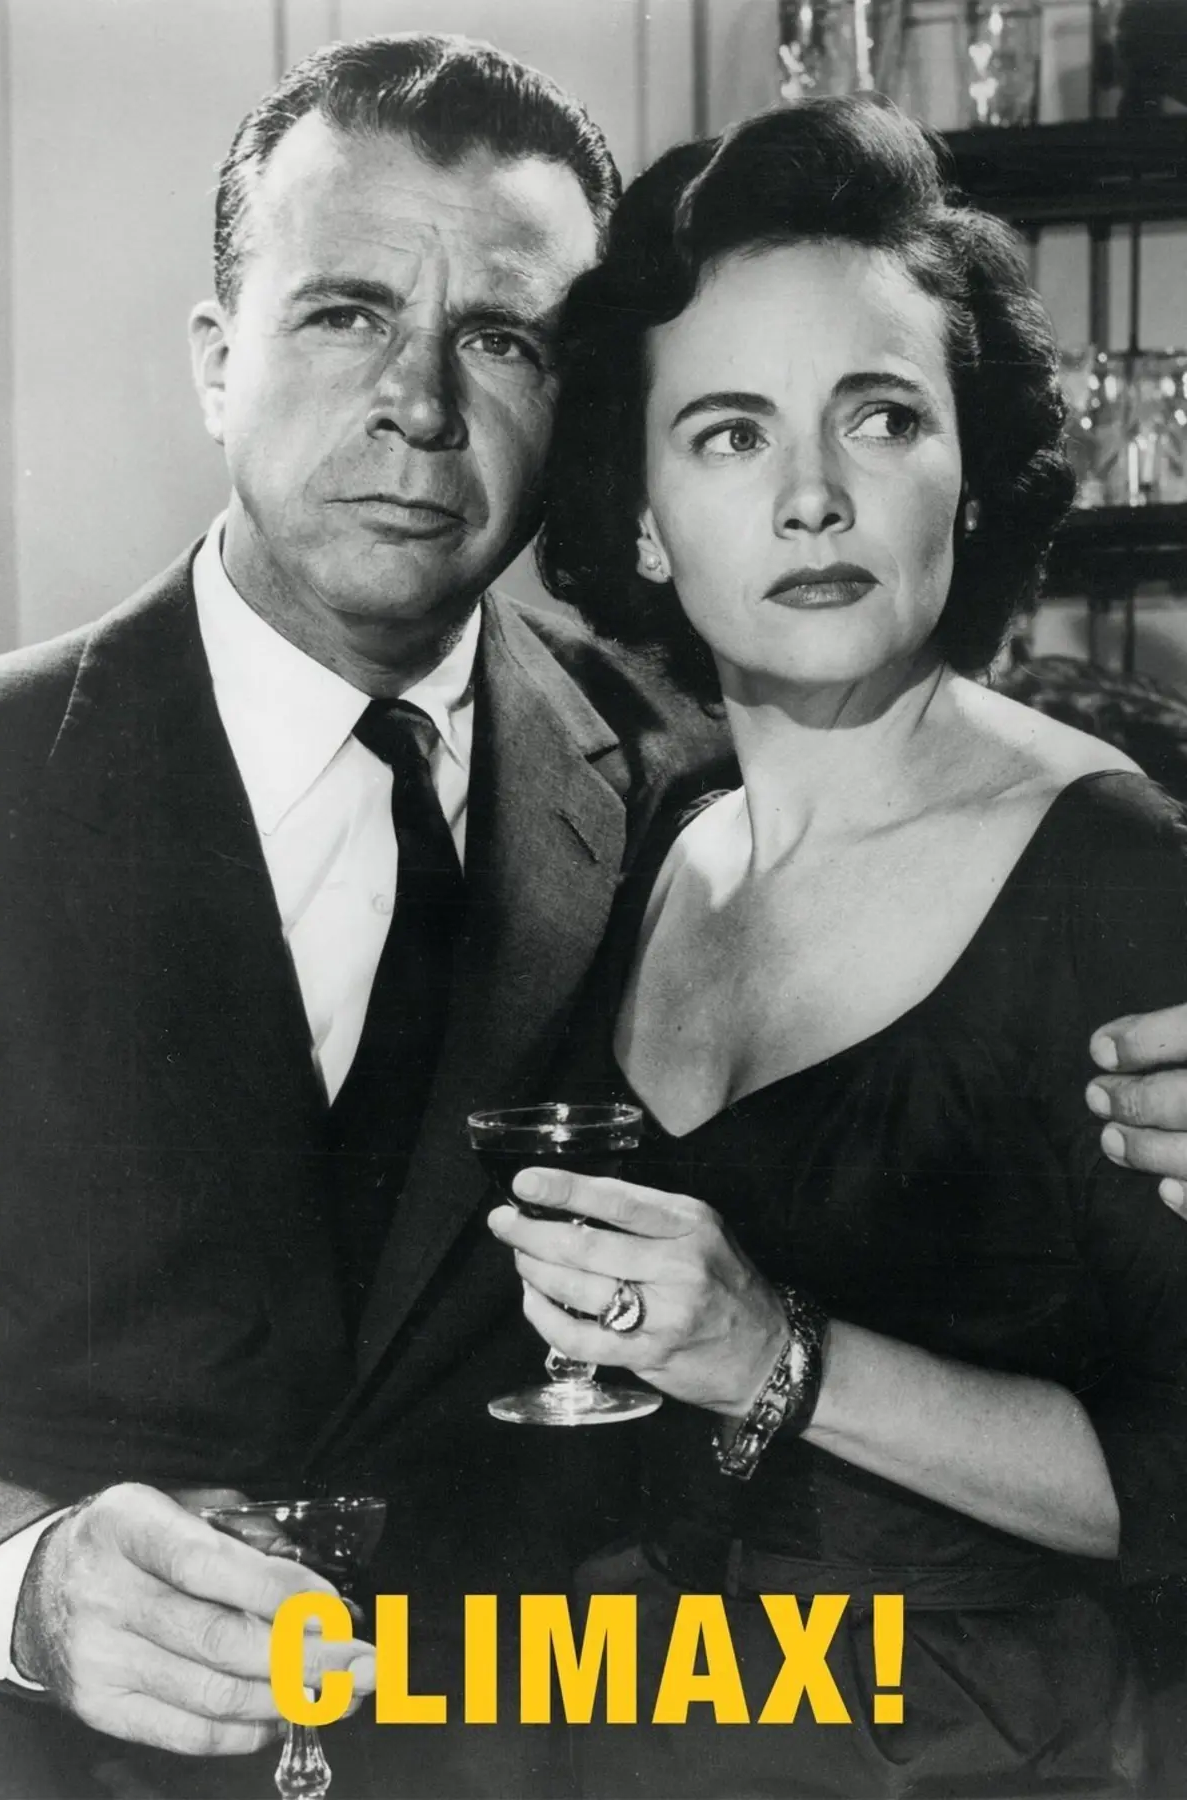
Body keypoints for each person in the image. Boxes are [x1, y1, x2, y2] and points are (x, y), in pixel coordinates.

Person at [0, 34, 732, 1800]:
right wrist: (18, 1586)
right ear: (214, 361)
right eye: (344, 314)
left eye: (504, 340)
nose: (422, 405)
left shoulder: (694, 795)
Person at [488, 99, 1187, 1796]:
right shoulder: (651, 841)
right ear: (642, 516)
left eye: (880, 417)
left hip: (974, 1754)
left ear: (971, 475)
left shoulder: (1112, 871)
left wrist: (775, 1358)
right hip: (633, 1727)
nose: (813, 498)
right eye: (729, 433)